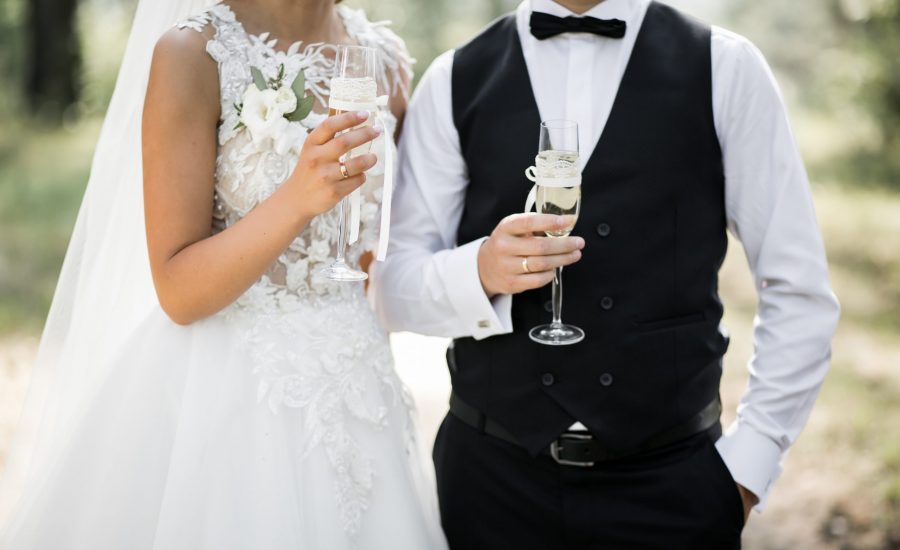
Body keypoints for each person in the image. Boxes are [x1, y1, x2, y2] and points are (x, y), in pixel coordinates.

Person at [374, 0, 840, 547]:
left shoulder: (726, 67)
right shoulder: (454, 77)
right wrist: (477, 271)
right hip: (490, 488)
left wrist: (744, 472)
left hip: (672, 491)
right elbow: (392, 290)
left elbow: (797, 287)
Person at [0, 1, 446, 548]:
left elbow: (381, 252)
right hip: (228, 396)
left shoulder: (386, 63)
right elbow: (177, 292)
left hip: (360, 390)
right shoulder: (194, 54)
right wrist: (296, 200)